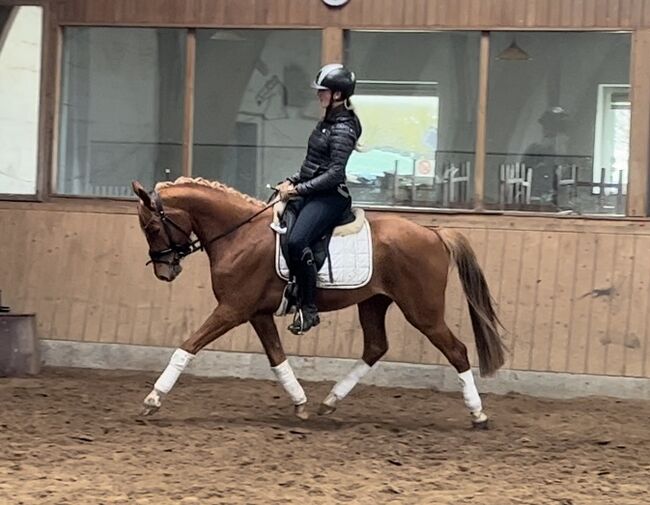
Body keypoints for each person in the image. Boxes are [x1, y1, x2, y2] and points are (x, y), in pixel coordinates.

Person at [276, 63, 362, 335]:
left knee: (298, 239)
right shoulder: (327, 122)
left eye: (323, 91)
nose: (318, 95)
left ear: (337, 95)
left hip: (330, 198)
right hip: (312, 190)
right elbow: (313, 163)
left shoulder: (344, 128)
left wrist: (299, 190)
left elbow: (335, 173)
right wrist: (292, 179)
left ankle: (309, 308)